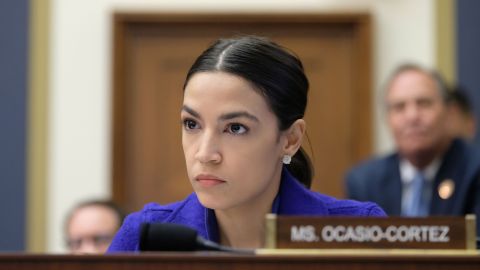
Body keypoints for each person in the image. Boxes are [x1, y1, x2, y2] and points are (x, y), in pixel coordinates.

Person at [108, 36, 386, 252]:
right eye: (192, 124)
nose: (205, 154)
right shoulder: (143, 237)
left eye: (235, 128)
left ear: (290, 140)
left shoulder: (359, 231)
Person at [345, 64, 480, 233]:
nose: (412, 117)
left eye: (424, 103)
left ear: (449, 113)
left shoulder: (474, 171)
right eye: (399, 107)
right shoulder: (365, 182)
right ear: (388, 119)